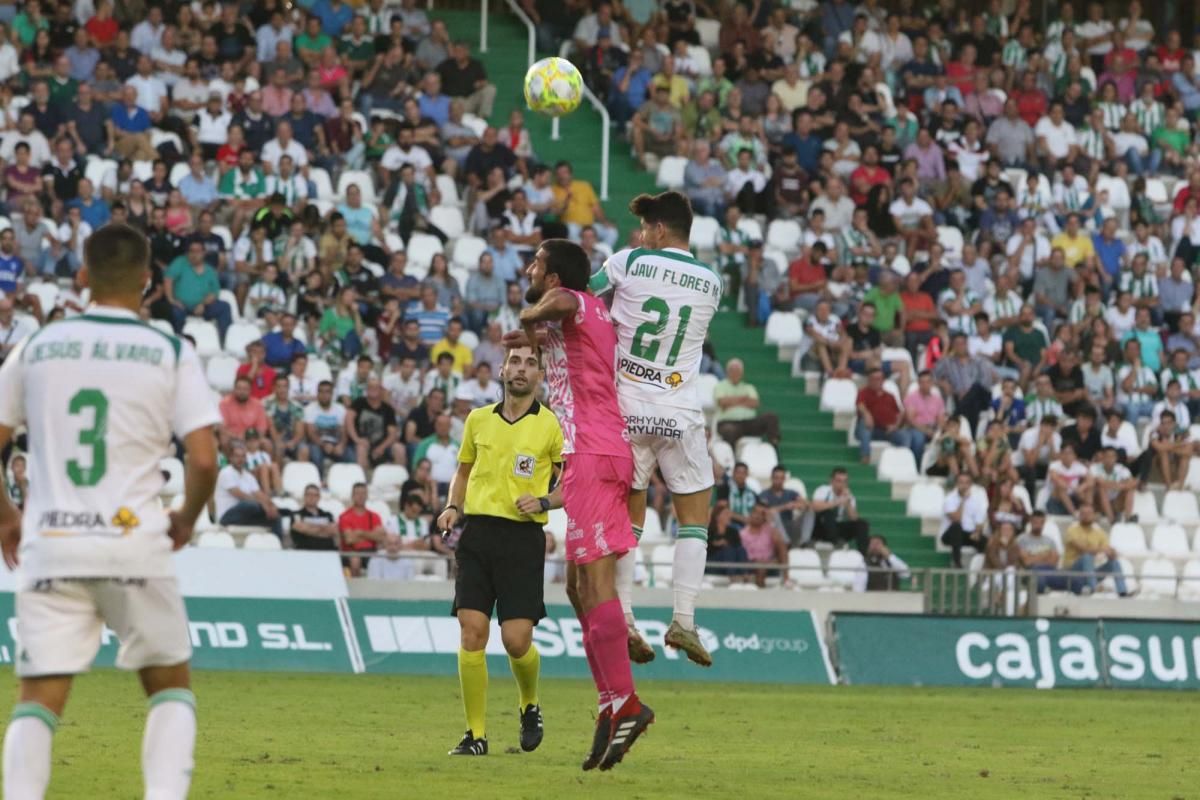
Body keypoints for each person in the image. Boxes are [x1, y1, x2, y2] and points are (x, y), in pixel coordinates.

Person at [0, 224, 220, 799]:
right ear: (149, 281)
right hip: (135, 542)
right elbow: (202, 459)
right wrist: (186, 519)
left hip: (51, 541)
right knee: (169, 684)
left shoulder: (37, 347)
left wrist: (6, 517)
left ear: (82, 276)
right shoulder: (170, 350)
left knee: (39, 694)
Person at [508, 239, 654, 771]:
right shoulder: (589, 313)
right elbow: (564, 342)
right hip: (597, 452)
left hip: (592, 451)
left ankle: (627, 702)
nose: (529, 269)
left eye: (537, 264)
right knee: (576, 585)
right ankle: (609, 702)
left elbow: (560, 304)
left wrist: (532, 312)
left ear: (555, 277)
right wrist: (533, 336)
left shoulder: (572, 299)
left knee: (594, 583)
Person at [589, 191, 722, 667]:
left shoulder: (628, 261)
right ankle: (684, 620)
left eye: (646, 226)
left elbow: (586, 291)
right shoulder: (711, 282)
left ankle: (624, 616)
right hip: (680, 413)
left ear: (659, 230)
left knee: (630, 521)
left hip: (626, 412)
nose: (640, 234)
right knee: (694, 522)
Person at [435, 343, 561, 757]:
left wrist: (543, 502)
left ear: (540, 375)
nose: (521, 369)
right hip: (478, 536)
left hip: (523, 538)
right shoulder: (477, 420)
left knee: (515, 639)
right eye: (515, 362)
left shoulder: (551, 427)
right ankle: (475, 736)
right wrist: (453, 505)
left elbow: (571, 484)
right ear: (503, 369)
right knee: (472, 631)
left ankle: (529, 702)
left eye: (530, 363)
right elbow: (463, 471)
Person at [214, 440, 282, 537]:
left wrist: (271, 505)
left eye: (243, 456)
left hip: (245, 515)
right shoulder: (226, 472)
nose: (240, 459)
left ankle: (278, 546)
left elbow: (259, 494)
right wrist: (263, 505)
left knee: (275, 517)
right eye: (237, 456)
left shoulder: (248, 476)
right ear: (230, 458)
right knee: (248, 504)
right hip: (227, 516)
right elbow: (241, 495)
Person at [1063, 503, 1132, 596]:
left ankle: (1122, 592)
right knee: (1087, 557)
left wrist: (1112, 553)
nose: (1086, 516)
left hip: (1091, 572)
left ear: (1094, 515)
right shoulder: (1072, 530)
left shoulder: (1099, 532)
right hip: (1073, 572)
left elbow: (1108, 550)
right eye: (1083, 513)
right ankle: (1094, 590)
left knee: (1114, 563)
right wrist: (1103, 550)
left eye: (1089, 513)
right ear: (1079, 515)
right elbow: (1084, 549)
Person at [712, 357, 782, 448]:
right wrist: (743, 399)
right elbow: (722, 402)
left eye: (738, 371)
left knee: (771, 417)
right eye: (732, 370)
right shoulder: (720, 386)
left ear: (742, 373)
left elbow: (755, 403)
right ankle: (730, 458)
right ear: (727, 372)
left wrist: (731, 402)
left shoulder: (749, 387)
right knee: (730, 431)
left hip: (749, 422)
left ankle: (774, 446)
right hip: (728, 422)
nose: (735, 373)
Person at [809, 467, 869, 552]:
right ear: (831, 481)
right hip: (821, 528)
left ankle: (863, 555)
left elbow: (854, 518)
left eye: (845, 481)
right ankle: (836, 543)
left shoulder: (849, 496)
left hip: (836, 527)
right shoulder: (823, 490)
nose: (842, 484)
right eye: (839, 481)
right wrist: (836, 502)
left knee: (862, 524)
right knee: (828, 513)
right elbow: (814, 507)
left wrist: (848, 502)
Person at [940, 472, 988, 568]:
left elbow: (979, 521)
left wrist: (977, 532)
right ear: (957, 484)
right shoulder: (950, 499)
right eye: (961, 482)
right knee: (956, 527)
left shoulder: (976, 499)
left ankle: (982, 568)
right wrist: (963, 501)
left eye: (966, 483)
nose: (964, 486)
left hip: (968, 534)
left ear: (970, 485)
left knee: (984, 541)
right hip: (950, 534)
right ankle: (956, 562)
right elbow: (957, 519)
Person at [338, 482, 386, 577]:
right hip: (351, 552)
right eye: (358, 493)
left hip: (371, 551)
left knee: (384, 556)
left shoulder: (375, 516)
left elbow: (381, 537)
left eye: (363, 493)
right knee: (355, 560)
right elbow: (349, 539)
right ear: (352, 496)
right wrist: (371, 535)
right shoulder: (345, 516)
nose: (361, 496)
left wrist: (360, 533)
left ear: (367, 495)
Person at [289, 484, 339, 550]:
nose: (312, 497)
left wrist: (309, 528)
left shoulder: (327, 515)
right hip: (305, 553)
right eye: (309, 494)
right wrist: (324, 529)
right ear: (304, 496)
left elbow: (333, 531)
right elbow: (302, 528)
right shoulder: (296, 514)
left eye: (315, 495)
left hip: (327, 552)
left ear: (319, 497)